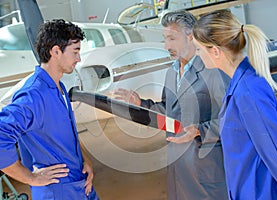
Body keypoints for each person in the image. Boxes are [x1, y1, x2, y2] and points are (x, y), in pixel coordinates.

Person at [114, 10, 229, 199]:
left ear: (190, 36)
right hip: (178, 168)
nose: (167, 45)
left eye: (172, 38)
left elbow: (234, 119)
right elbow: (168, 111)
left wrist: (201, 129)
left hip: (206, 171)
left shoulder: (213, 71)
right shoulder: (171, 72)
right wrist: (140, 103)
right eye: (164, 39)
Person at [192, 9, 277, 200]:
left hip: (262, 193)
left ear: (215, 51)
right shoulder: (239, 85)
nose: (197, 55)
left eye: (198, 49)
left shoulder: (248, 91)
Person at [0, 19, 100, 199]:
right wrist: (30, 178)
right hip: (57, 191)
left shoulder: (58, 87)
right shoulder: (33, 95)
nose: (78, 59)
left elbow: (66, 134)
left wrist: (86, 160)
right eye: (75, 52)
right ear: (55, 51)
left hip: (79, 183)